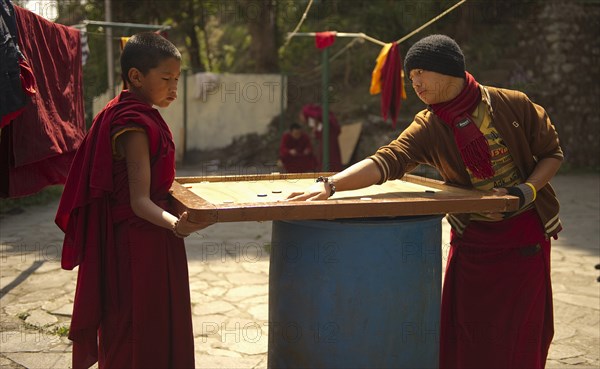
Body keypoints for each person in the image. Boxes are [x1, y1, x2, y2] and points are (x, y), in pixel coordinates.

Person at [288, 34, 563, 368]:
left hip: (525, 239)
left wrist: (526, 191)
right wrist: (330, 185)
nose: (414, 83)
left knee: (523, 336)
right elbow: (387, 159)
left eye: (420, 73)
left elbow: (551, 153)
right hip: (475, 241)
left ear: (448, 71)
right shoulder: (430, 125)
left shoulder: (511, 104)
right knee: (465, 336)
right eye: (410, 76)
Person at [55, 32, 212, 369]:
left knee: (149, 325)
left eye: (177, 79)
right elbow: (140, 200)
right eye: (166, 79)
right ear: (136, 77)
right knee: (140, 328)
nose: (174, 88)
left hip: (153, 236)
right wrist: (179, 225)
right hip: (139, 243)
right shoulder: (133, 124)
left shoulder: (138, 112)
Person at [299, 104, 343, 172]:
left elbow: (316, 116)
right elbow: (319, 125)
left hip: (329, 131)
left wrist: (315, 129)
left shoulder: (306, 111)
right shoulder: (310, 118)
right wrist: (315, 131)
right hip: (328, 131)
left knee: (328, 153)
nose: (302, 121)